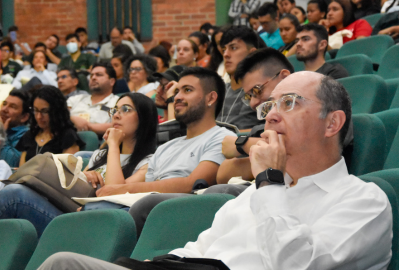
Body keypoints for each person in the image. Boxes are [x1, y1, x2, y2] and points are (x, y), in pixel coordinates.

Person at [0, 71, 392, 270]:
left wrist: (269, 181)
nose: (270, 116)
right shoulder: (253, 196)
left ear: (332, 122)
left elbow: (291, 266)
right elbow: (198, 252)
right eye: (268, 105)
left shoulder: (362, 201)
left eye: (289, 103)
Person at [0, 93, 159, 236]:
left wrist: (112, 145)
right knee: (4, 190)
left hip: (93, 225)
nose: (116, 115)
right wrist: (87, 175)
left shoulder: (149, 161)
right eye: (115, 110)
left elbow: (113, 190)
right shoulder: (101, 155)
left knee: (13, 195)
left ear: (144, 119)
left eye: (125, 109)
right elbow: (76, 186)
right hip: (68, 210)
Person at [99, 67, 237, 233]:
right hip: (144, 209)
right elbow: (131, 187)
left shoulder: (222, 138)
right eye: (177, 91)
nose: (177, 97)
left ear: (211, 98)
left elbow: (192, 183)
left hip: (178, 215)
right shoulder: (166, 147)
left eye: (187, 90)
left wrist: (122, 190)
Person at [212, 48, 293, 189]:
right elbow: (224, 172)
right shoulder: (263, 128)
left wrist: (244, 144)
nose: (253, 103)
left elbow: (306, 150)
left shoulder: (317, 110)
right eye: (249, 96)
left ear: (284, 77)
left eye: (256, 90)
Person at [16, 85, 84, 166]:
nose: (39, 116)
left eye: (44, 111)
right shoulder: (29, 136)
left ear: (56, 111)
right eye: (36, 110)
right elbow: (21, 170)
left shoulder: (68, 136)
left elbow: (69, 172)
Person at [217, 26, 264, 130]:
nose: (226, 54)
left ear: (251, 53)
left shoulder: (262, 91)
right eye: (224, 49)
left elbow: (270, 130)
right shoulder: (218, 91)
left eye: (233, 48)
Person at [67, 63, 119, 136]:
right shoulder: (75, 99)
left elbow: (119, 126)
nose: (93, 78)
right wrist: (72, 118)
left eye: (99, 75)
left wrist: (88, 126)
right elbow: (60, 115)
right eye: (91, 75)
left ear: (112, 81)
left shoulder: (118, 102)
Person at [0, 89, 31, 168]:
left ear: (24, 117)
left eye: (12, 107)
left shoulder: (26, 135)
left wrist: (2, 134)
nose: (4, 109)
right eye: (4, 104)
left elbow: (9, 163)